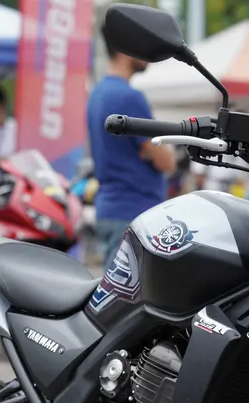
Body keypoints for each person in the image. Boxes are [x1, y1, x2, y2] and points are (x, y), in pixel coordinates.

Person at [87, 21, 176, 265]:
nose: (146, 54)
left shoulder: (98, 93)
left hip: (110, 206)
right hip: (133, 211)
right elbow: (165, 161)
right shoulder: (129, 97)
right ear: (124, 50)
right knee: (125, 300)